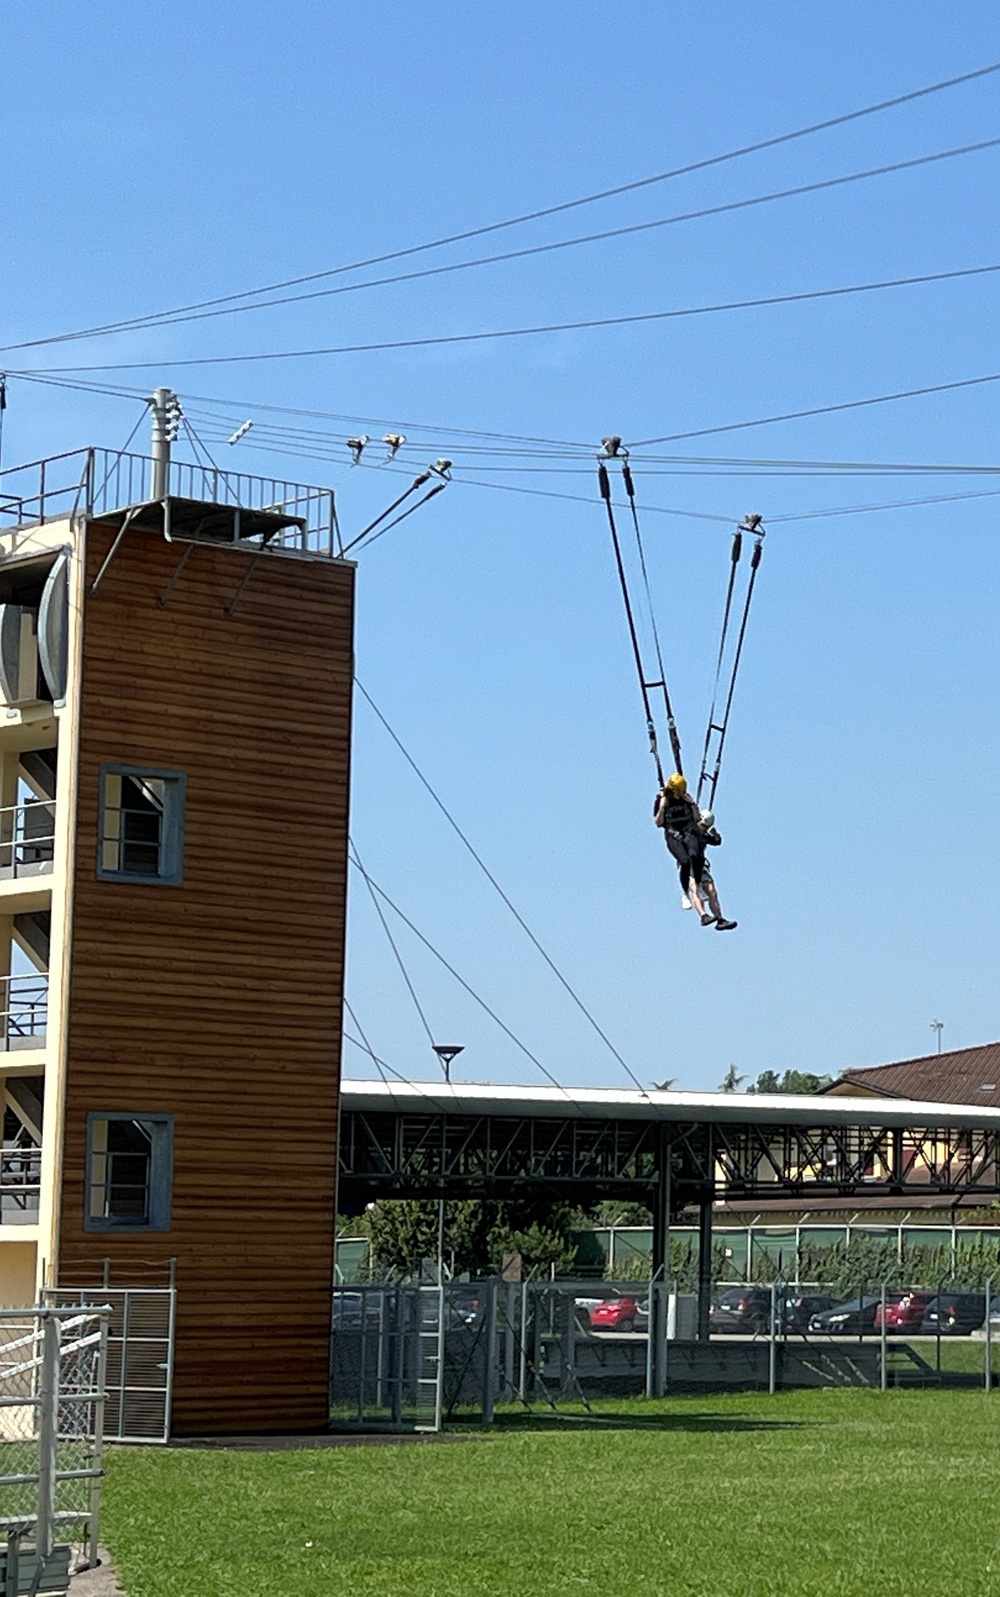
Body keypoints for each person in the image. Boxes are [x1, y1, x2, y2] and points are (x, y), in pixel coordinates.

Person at [654, 775, 737, 931]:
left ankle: (720, 919)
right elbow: (658, 823)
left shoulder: (699, 832)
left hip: (700, 864)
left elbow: (716, 841)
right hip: (686, 863)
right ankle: (703, 915)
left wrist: (715, 834)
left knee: (711, 890)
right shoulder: (663, 801)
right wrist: (663, 806)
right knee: (693, 884)